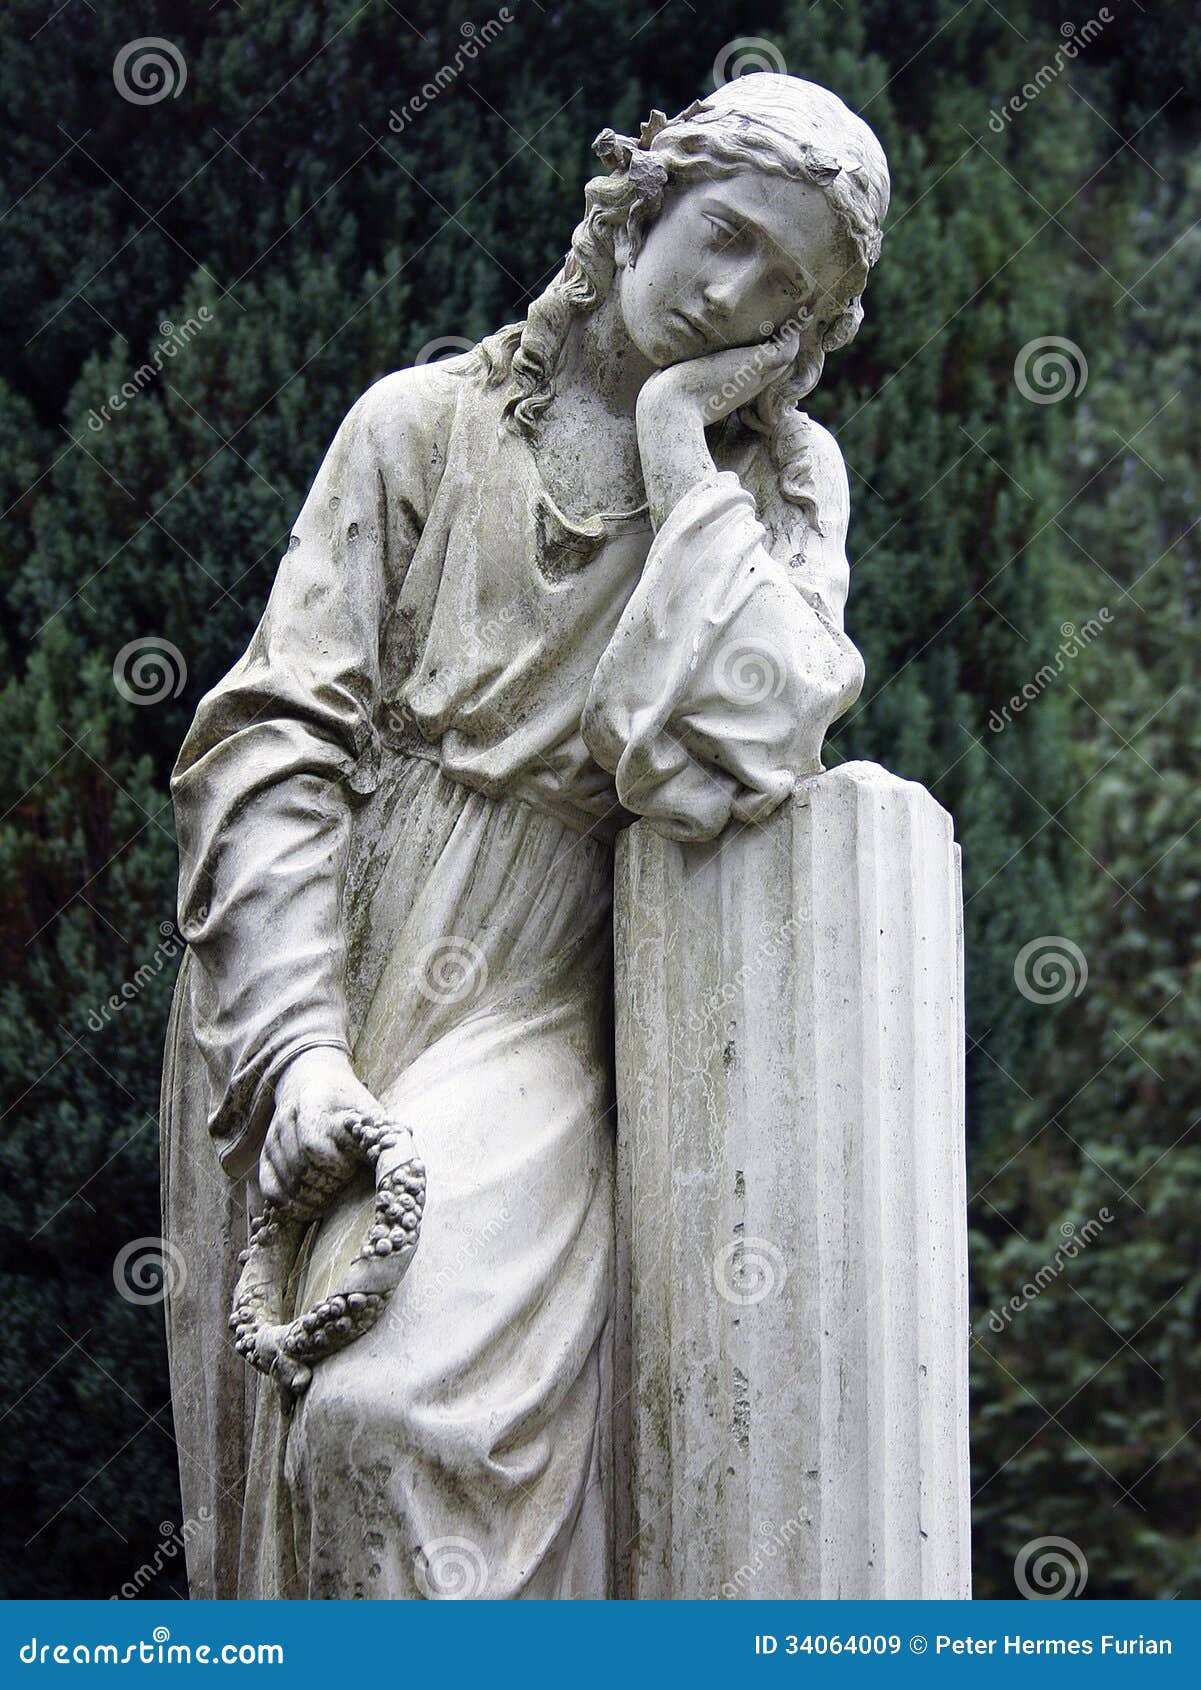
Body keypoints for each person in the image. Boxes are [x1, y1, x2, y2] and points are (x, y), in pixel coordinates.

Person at [161, 71, 889, 1599]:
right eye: (725, 232)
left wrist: (685, 446)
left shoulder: (771, 504)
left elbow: (740, 742)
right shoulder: (419, 428)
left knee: (386, 1418)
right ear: (642, 198)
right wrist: (294, 1046)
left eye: (783, 290)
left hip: (542, 997)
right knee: (290, 1487)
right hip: (335, 948)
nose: (726, 291)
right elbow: (270, 740)